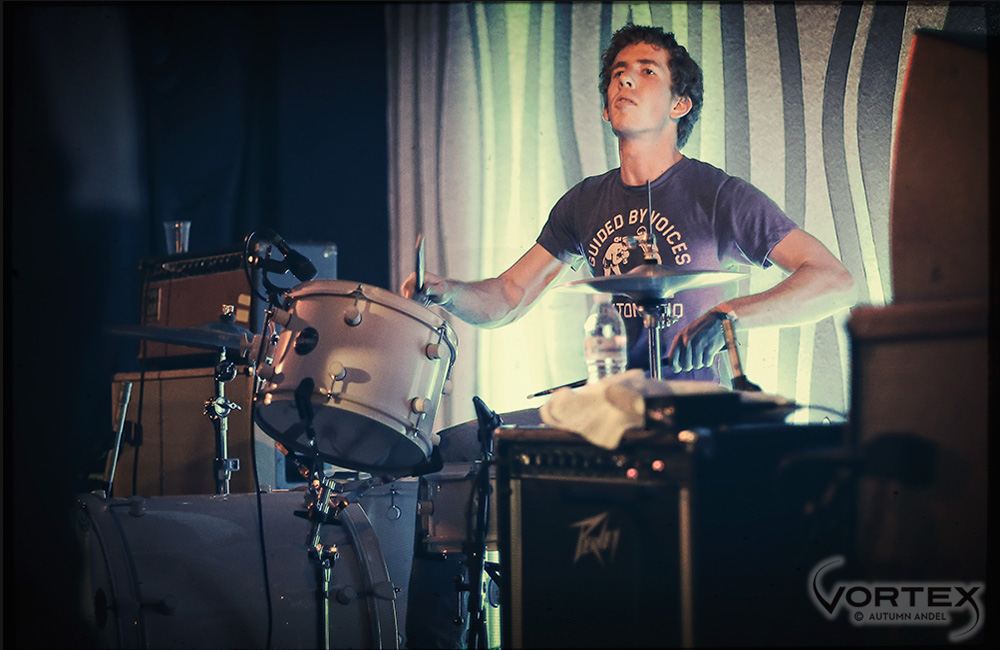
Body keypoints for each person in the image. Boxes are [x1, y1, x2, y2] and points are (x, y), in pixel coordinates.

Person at [402, 24, 856, 384]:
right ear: (606, 109)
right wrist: (451, 293)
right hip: (616, 417)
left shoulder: (718, 195)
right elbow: (510, 295)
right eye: (619, 72)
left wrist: (729, 319)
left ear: (680, 104)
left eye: (647, 71)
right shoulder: (583, 202)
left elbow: (832, 280)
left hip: (698, 422)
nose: (625, 78)